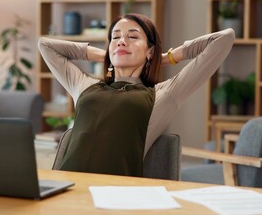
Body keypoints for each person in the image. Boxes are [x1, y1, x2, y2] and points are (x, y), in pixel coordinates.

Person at [38, 13, 235, 177]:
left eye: (132, 37)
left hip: (114, 197)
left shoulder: (163, 95)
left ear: (150, 51)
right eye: (115, 37)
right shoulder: (84, 86)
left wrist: (167, 58)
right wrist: (106, 55)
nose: (122, 42)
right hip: (66, 190)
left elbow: (224, 38)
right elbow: (45, 45)